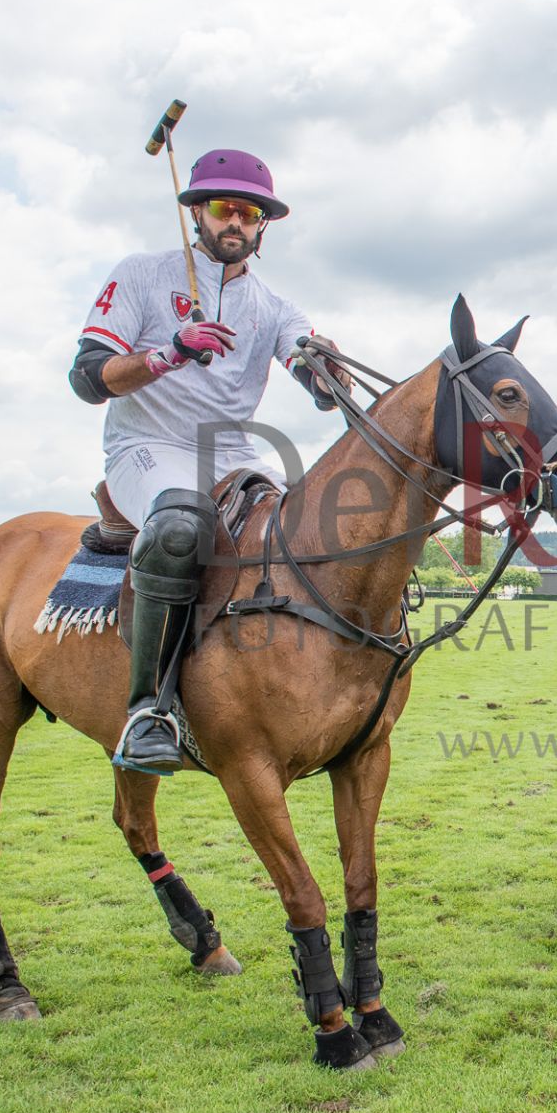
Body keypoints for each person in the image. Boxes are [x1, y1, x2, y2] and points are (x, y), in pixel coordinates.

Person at [68, 149, 344, 772]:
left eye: (249, 213)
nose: (235, 222)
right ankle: (148, 712)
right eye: (223, 207)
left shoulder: (275, 307)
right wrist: (166, 353)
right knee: (179, 524)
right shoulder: (141, 273)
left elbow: (305, 368)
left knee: (314, 524)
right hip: (147, 445)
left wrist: (324, 372)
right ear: (196, 211)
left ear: (263, 225)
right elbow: (87, 378)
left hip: (233, 452)